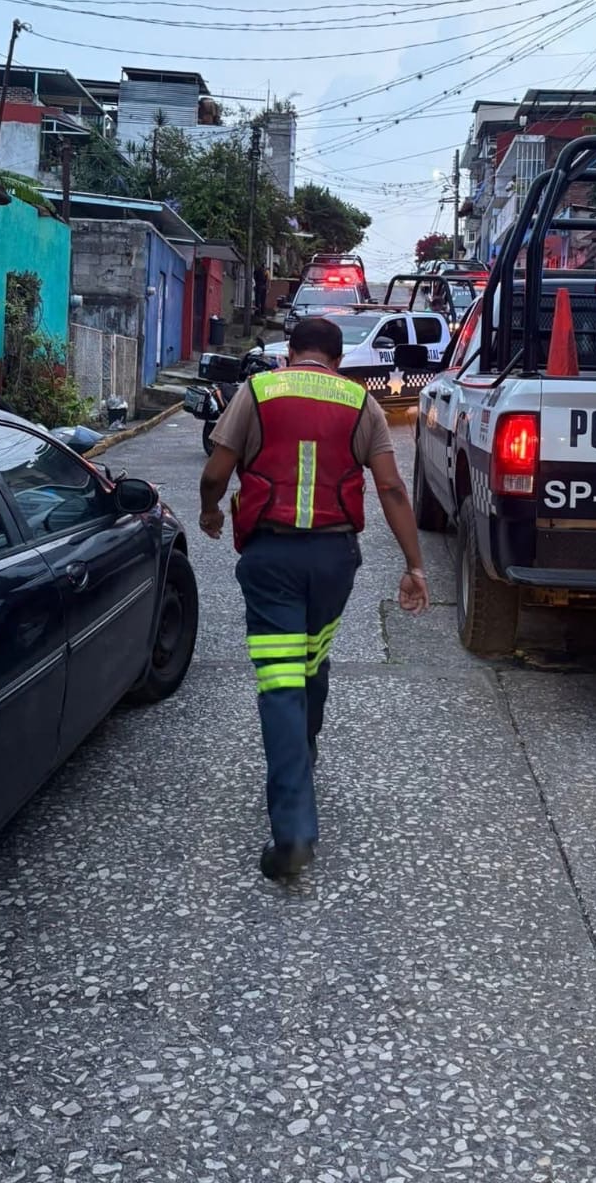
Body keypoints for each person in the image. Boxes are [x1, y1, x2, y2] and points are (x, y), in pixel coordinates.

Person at [199, 315, 430, 881]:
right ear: (336, 359)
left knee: (280, 684)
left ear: (290, 353)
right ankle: (305, 746)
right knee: (311, 658)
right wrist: (415, 565)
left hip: (271, 558)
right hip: (333, 562)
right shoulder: (360, 403)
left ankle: (295, 830)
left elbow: (217, 470)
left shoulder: (258, 390)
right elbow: (392, 488)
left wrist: (209, 508)